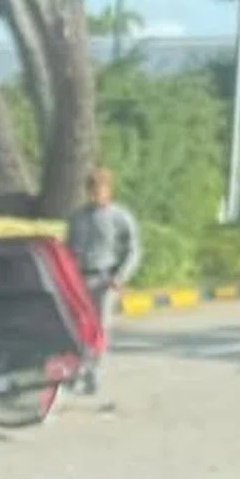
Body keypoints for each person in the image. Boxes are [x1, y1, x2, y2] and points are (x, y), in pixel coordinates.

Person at [65, 167, 142, 397]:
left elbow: (133, 250)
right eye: (91, 190)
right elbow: (68, 248)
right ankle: (77, 372)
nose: (95, 194)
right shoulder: (77, 217)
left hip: (105, 279)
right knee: (77, 327)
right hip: (79, 279)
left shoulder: (120, 217)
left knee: (99, 328)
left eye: (100, 190)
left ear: (109, 191)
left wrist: (120, 277)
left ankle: (93, 374)